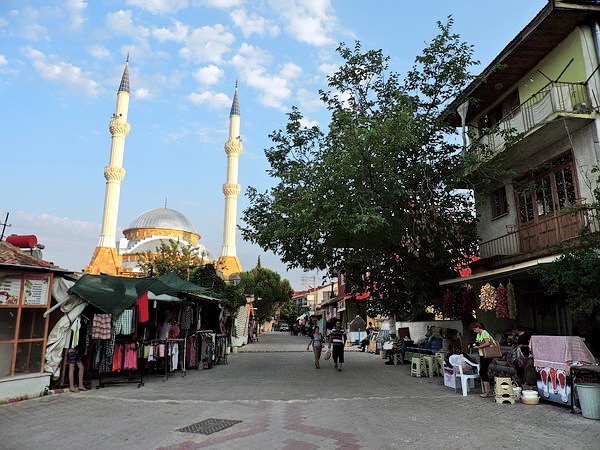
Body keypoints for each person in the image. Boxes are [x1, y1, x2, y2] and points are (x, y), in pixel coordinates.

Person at [471, 322, 494, 398]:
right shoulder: (478, 335)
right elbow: (479, 343)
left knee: (482, 371)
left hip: (487, 355)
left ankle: (487, 391)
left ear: (478, 327)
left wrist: (479, 347)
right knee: (483, 371)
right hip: (482, 354)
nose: (474, 331)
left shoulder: (484, 332)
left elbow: (487, 343)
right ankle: (487, 390)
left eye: (475, 329)